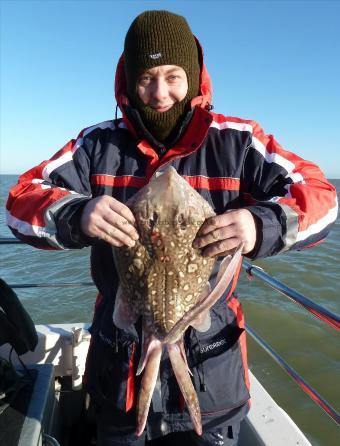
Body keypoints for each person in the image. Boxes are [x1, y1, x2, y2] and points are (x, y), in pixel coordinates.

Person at [6, 10, 338, 446]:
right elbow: (20, 200)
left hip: (212, 369)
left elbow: (322, 198)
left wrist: (261, 224)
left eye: (173, 76)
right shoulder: (96, 144)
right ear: (128, 80)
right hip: (117, 368)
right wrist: (77, 214)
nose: (159, 93)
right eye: (146, 78)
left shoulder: (237, 141)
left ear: (194, 76)